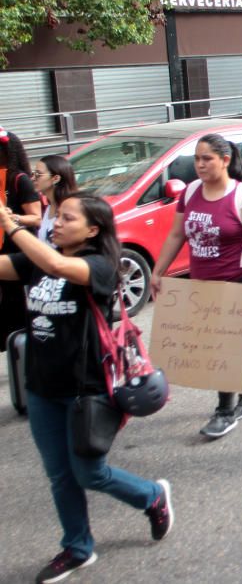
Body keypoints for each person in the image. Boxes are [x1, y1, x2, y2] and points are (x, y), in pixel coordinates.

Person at [0, 193, 174, 583]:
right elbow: (15, 266)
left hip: (86, 387)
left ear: (92, 229)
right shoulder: (38, 259)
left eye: (67, 218)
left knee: (89, 472)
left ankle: (152, 496)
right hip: (41, 386)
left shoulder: (99, 265)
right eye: (56, 217)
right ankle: (78, 547)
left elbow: (57, 264)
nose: (56, 223)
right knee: (60, 475)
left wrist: (10, 225)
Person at [151, 134, 242, 438]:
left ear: (225, 160)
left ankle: (225, 411)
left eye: (206, 159)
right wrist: (158, 272)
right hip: (203, 287)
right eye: (196, 159)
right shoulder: (189, 193)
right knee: (234, 340)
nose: (199, 165)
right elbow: (177, 235)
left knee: (224, 342)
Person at [0, 126, 42, 351]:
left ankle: (20, 349)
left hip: (17, 249)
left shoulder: (19, 180)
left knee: (14, 302)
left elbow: (36, 219)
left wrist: (11, 217)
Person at [31, 155, 77, 248]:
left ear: (55, 178)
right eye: (33, 174)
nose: (32, 178)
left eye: (38, 174)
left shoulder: (71, 209)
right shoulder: (50, 206)